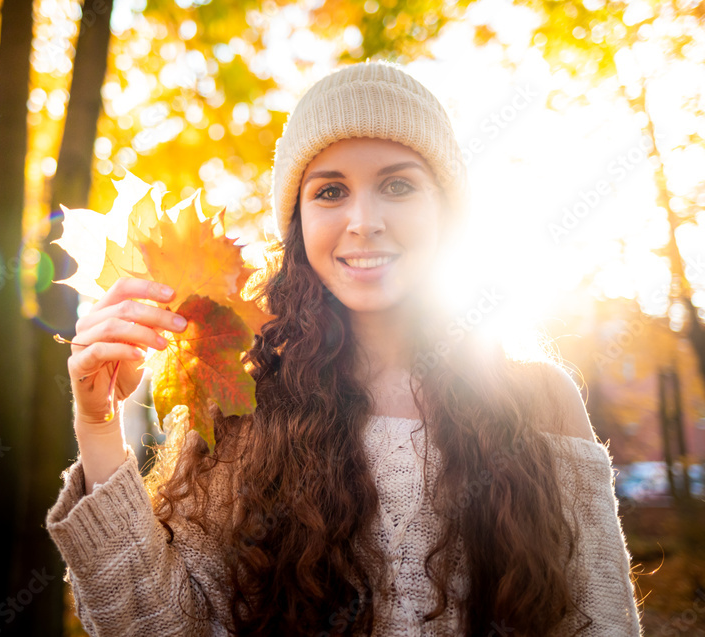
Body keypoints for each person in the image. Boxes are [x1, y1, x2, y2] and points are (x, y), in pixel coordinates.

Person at [45, 60, 643, 636]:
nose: (363, 220)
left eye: (398, 185)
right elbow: (167, 628)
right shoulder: (248, 401)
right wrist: (98, 427)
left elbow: (604, 624)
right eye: (330, 192)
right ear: (298, 224)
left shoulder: (539, 400)